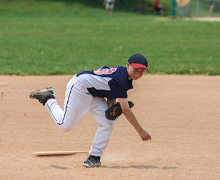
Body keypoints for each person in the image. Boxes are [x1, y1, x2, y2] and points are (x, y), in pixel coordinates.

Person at [29, 54, 151, 168]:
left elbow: (111, 91)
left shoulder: (122, 75)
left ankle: (94, 157)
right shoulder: (121, 79)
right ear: (128, 65)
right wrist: (140, 130)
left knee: (107, 121)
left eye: (142, 71)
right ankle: (48, 98)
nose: (138, 74)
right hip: (79, 88)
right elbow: (125, 110)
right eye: (136, 69)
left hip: (94, 92)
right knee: (65, 125)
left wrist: (111, 108)